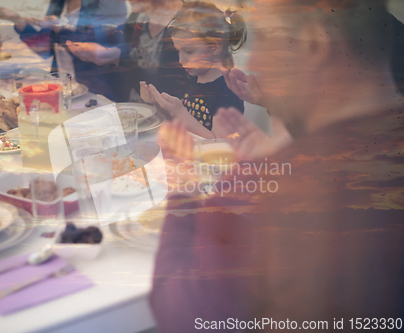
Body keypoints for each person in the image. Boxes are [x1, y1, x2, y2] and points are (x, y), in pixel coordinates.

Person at [150, 0, 404, 332]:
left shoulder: (261, 190)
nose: (254, 60)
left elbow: (180, 315)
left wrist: (183, 187)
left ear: (315, 44)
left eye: (266, 38)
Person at [141, 2, 246, 139]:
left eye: (189, 51)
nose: (181, 60)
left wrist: (180, 112)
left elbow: (219, 143)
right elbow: (182, 124)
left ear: (214, 47)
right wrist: (158, 104)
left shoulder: (228, 92)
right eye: (178, 51)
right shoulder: (192, 79)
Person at [0, 0, 127, 99]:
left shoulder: (110, 3)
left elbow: (99, 50)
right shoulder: (58, 4)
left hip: (100, 90)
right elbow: (44, 49)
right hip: (65, 90)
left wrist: (59, 28)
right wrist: (17, 20)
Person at [66, 0, 188, 103]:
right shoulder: (137, 18)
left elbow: (169, 92)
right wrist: (105, 57)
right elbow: (125, 80)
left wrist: (117, 58)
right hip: (135, 114)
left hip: (167, 122)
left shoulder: (185, 25)